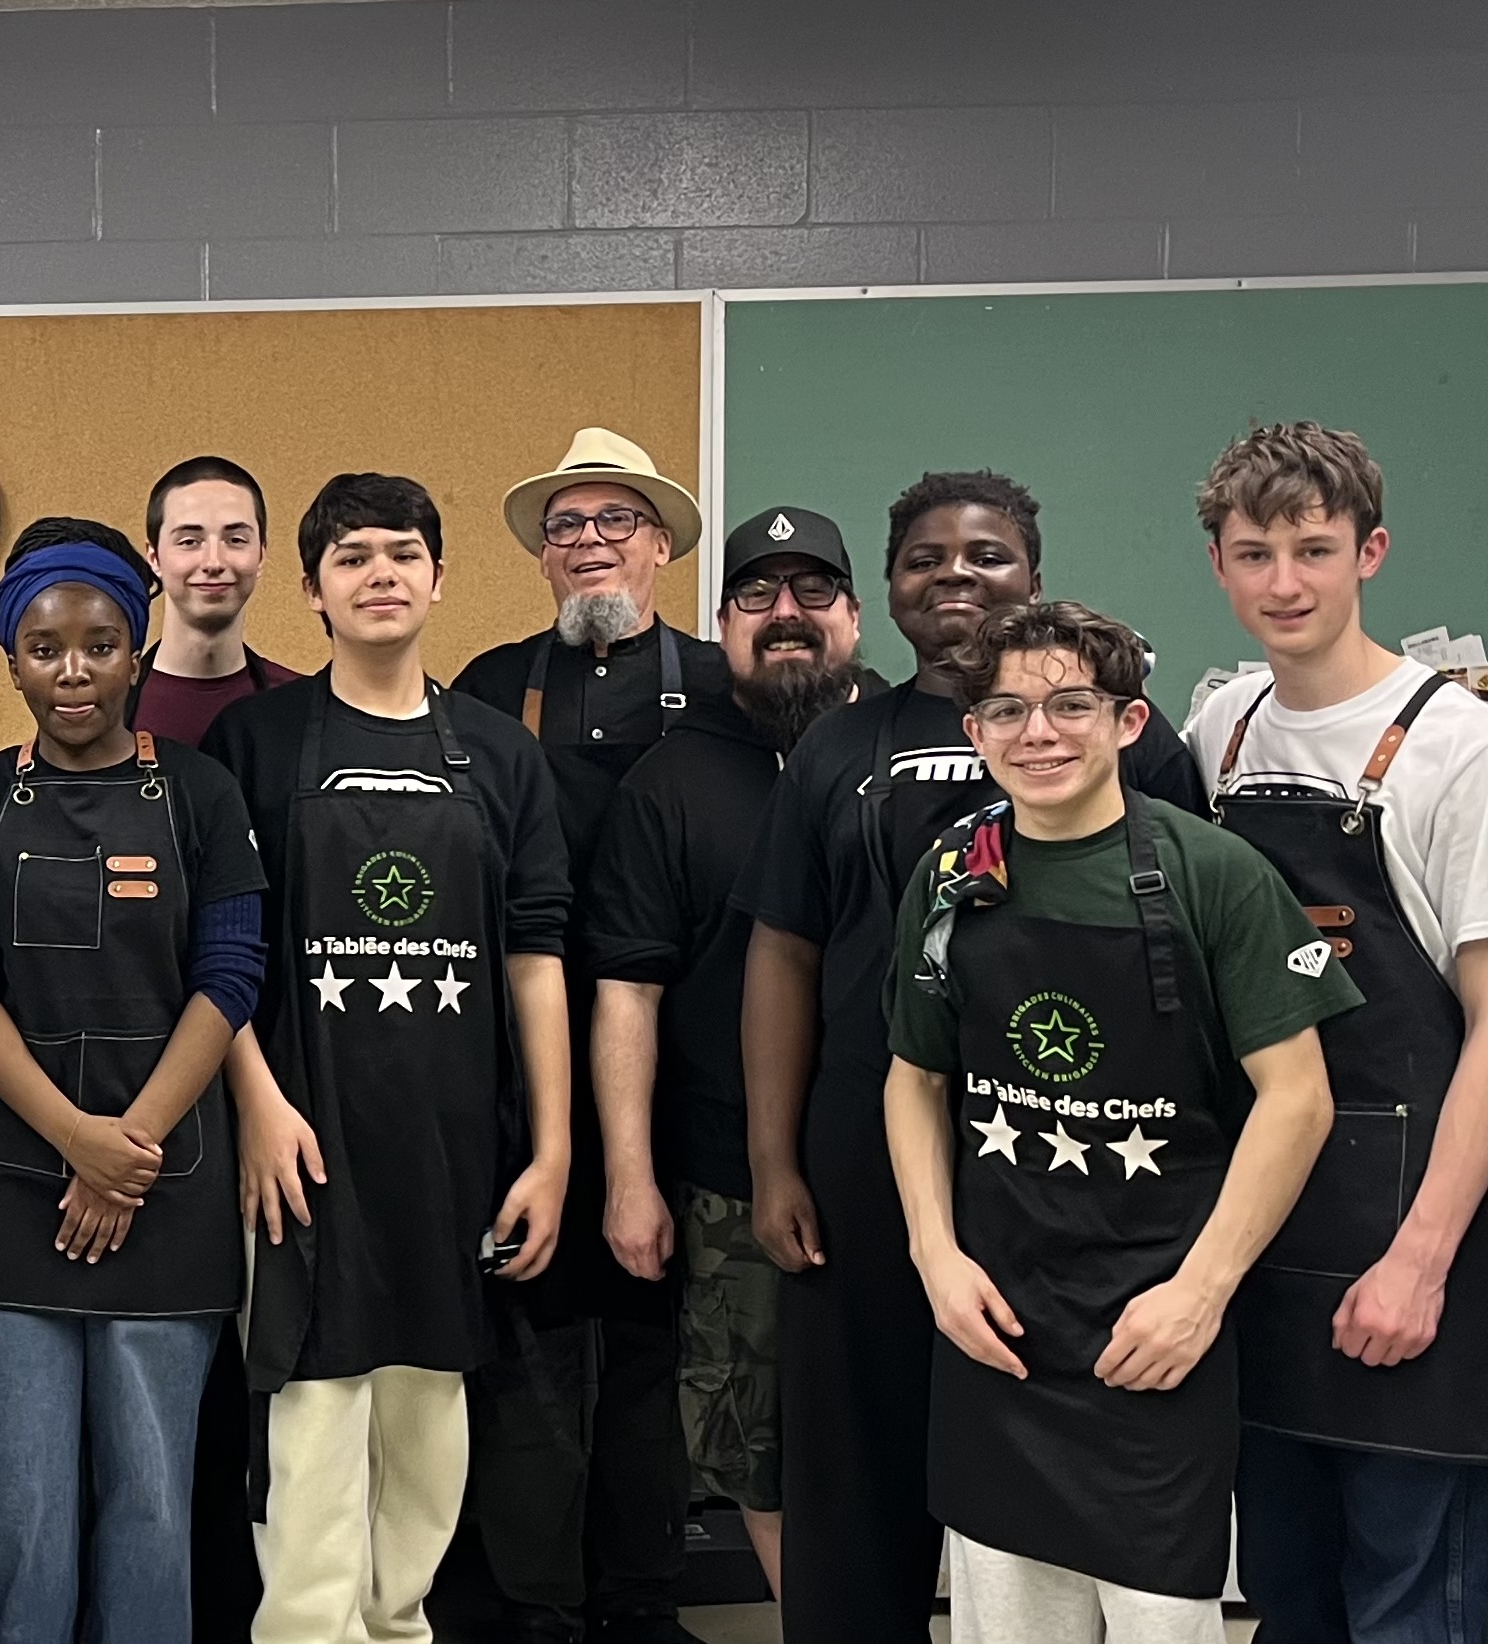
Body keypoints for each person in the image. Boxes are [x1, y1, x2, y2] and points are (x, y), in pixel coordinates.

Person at [731, 472, 1208, 1644]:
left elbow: (1194, 953)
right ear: (889, 590)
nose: (954, 574)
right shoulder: (837, 747)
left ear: (1031, 577)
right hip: (863, 1152)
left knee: (1049, 1477)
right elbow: (782, 954)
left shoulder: (1128, 742)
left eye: (985, 555)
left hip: (1070, 1166)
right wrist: (773, 1161)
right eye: (924, 558)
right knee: (856, 1470)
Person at [884, 600, 1349, 1643]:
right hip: (998, 1326)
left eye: (1069, 705)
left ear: (1128, 722)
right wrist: (934, 1258)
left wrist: (1200, 1293)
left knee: (1160, 1617)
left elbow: (1299, 1098)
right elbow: (914, 1077)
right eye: (1007, 711)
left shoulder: (1214, 874)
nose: (1037, 733)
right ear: (974, 732)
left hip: (1155, 1328)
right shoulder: (953, 876)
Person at [1184, 424, 1488, 1644]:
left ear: (1370, 551)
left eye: (1312, 549)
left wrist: (1419, 1262)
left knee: (1408, 1609)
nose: (1283, 582)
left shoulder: (1459, 743)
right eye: (1254, 553)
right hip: (1257, 1249)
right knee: (1285, 1600)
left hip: (1399, 1243)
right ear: (1217, 565)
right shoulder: (1217, 731)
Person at [202, 473, 575, 1644]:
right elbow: (217, 951)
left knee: (426, 1422)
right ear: (311, 590)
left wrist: (553, 1152)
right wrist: (256, 1105)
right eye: (352, 556)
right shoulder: (253, 743)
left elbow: (535, 959)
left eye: (402, 554)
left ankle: (400, 1627)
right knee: (311, 1421)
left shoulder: (500, 757)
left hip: (453, 1149)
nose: (379, 574)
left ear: (437, 578)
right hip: (301, 1146)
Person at [0, 518, 268, 1641]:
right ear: (12, 662)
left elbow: (230, 975)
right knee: (19, 1517)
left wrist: (128, 1152)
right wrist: (77, 1139)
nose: (71, 671)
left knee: (150, 1509)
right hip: (4, 1195)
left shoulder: (204, 796)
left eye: (99, 645)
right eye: (44, 649)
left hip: (167, 1191)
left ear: (136, 655)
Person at [444, 426, 726, 1642]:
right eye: (566, 526)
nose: (589, 543)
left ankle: (642, 1600)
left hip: (689, 1053)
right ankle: (535, 1603)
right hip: (529, 1061)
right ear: (541, 555)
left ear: (660, 545)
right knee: (532, 1338)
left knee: (660, 1334)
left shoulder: (722, 685)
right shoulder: (486, 685)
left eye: (616, 521)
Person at [583, 507, 876, 1614]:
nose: (785, 614)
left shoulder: (910, 756)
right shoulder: (670, 782)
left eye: (811, 591)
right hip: (724, 1184)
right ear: (722, 625)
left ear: (854, 615)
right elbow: (627, 990)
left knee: (904, 1425)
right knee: (749, 1439)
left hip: (908, 1173)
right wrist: (628, 1177)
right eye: (757, 595)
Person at [132, 455, 303, 747]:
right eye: (189, 541)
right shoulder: (107, 709)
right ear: (154, 558)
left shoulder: (304, 707)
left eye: (235, 540)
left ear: (261, 555)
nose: (213, 562)